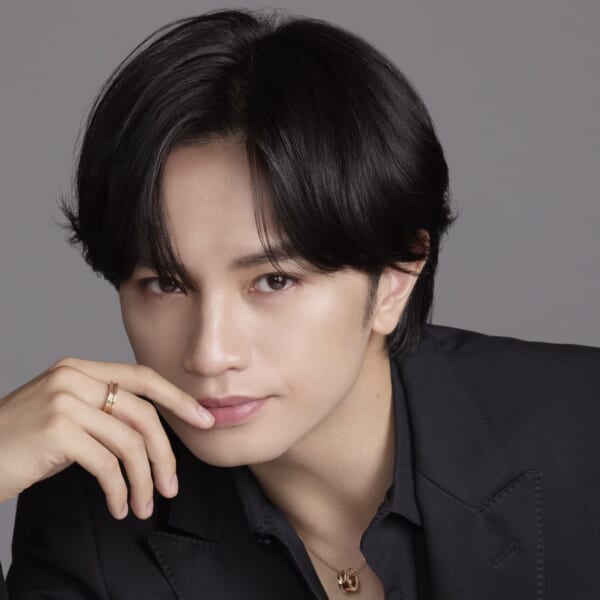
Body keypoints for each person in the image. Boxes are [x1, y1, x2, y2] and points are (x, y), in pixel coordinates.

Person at [1, 7, 599, 600]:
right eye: (165, 283)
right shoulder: (89, 519)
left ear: (395, 277)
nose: (210, 354)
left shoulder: (583, 432)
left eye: (273, 281)